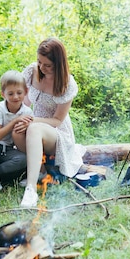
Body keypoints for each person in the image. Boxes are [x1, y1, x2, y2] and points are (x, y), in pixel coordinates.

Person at [13, 37, 86, 208]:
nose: (41, 67)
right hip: (34, 123)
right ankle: (41, 170)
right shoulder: (32, 71)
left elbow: (57, 120)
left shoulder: (67, 83)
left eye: (47, 65)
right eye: (39, 62)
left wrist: (31, 120)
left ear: (58, 64)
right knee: (17, 129)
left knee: (34, 129)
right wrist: (14, 117)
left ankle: (31, 190)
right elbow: (23, 103)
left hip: (57, 131)